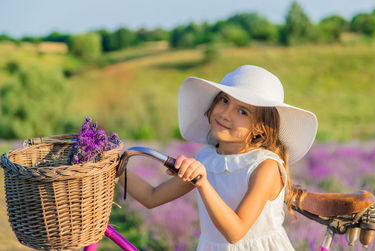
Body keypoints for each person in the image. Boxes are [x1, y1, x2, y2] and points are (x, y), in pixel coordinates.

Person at [118, 65, 318, 250]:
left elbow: (235, 232)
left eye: (242, 111)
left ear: (259, 128)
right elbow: (151, 197)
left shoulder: (265, 167)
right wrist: (114, 168)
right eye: (224, 100)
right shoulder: (207, 158)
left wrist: (203, 183)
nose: (226, 114)